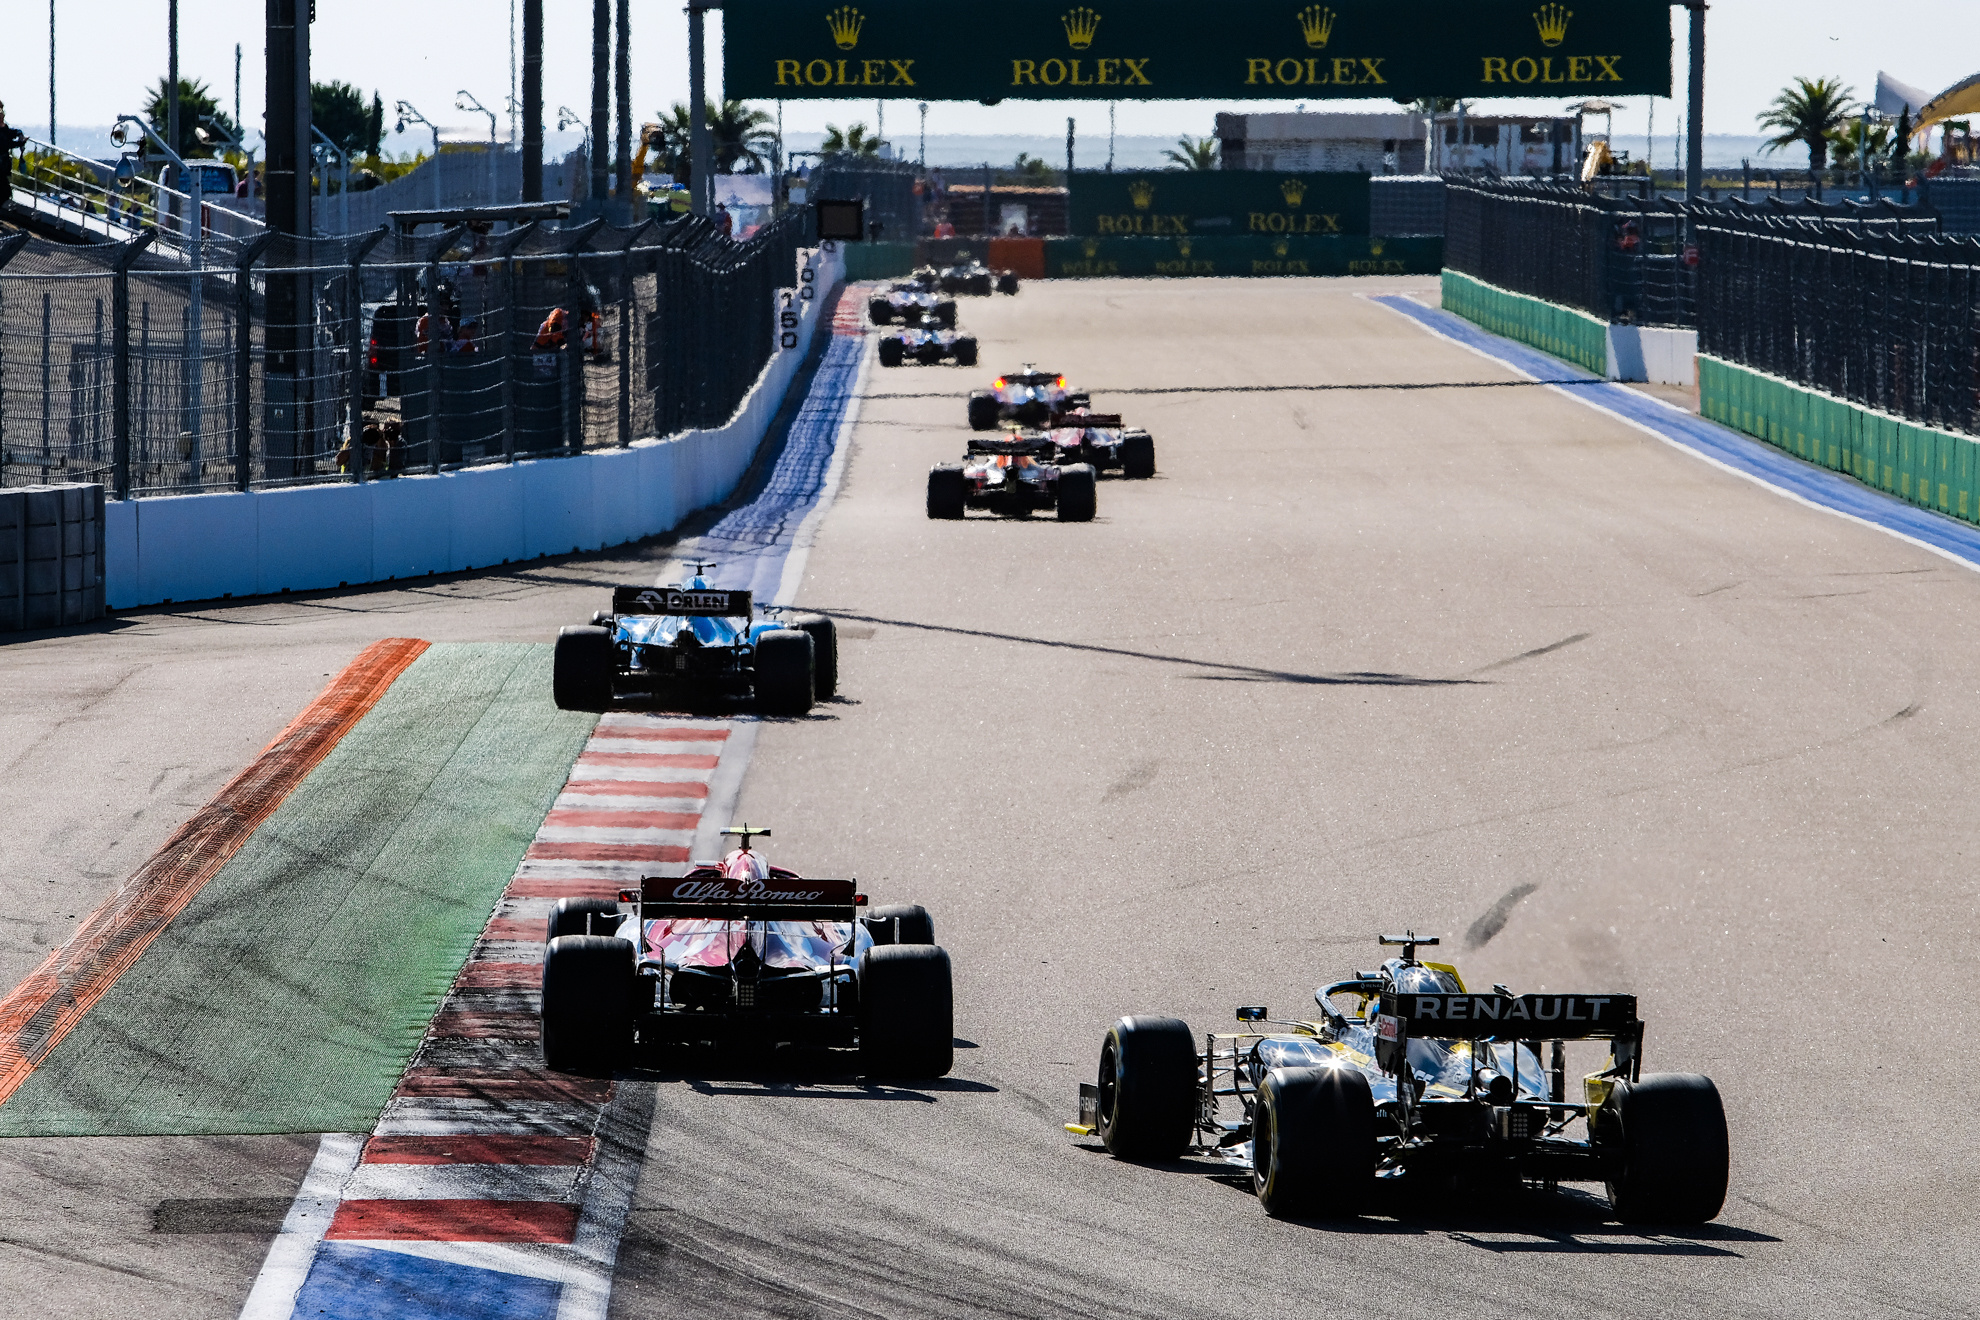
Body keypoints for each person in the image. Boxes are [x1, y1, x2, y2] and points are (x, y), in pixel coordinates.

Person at [0, 102, 28, 210]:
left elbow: (10, 133)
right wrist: (19, 143)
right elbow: (4, 144)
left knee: (4, 192)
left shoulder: (4, 128)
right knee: (4, 191)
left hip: (3, 166)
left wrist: (19, 133)